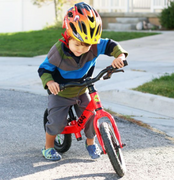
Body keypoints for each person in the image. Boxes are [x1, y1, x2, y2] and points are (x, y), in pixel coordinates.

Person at [38, 2, 128, 161]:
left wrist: (120, 56)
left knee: (91, 118)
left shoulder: (93, 45)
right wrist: (50, 83)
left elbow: (111, 45)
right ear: (68, 37)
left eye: (86, 45)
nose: (81, 49)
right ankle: (48, 147)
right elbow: (44, 69)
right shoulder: (58, 51)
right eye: (77, 44)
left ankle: (91, 143)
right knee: (57, 123)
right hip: (61, 92)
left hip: (82, 89)